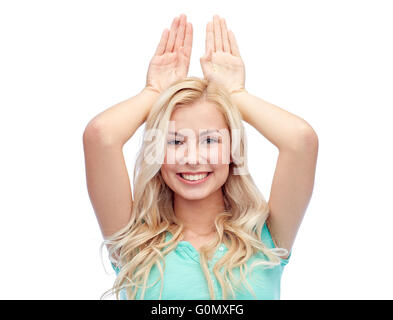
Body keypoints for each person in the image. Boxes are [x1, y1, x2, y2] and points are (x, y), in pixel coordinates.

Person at [83, 14, 319, 300]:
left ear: (233, 150)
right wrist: (154, 92)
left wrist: (235, 94)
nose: (192, 158)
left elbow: (301, 141)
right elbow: (100, 136)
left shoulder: (266, 237)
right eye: (174, 140)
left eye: (209, 140)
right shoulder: (134, 242)